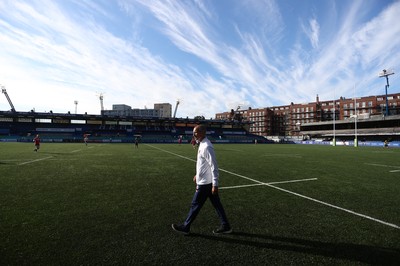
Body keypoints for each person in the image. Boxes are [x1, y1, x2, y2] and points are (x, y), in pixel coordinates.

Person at [172, 124, 231, 235]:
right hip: (204, 181)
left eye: (195, 132)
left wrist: (215, 184)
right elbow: (203, 164)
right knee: (217, 205)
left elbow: (214, 166)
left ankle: (186, 227)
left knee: (195, 204)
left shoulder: (207, 146)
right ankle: (226, 225)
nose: (193, 134)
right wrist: (197, 175)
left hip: (205, 184)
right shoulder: (202, 144)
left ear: (202, 133)